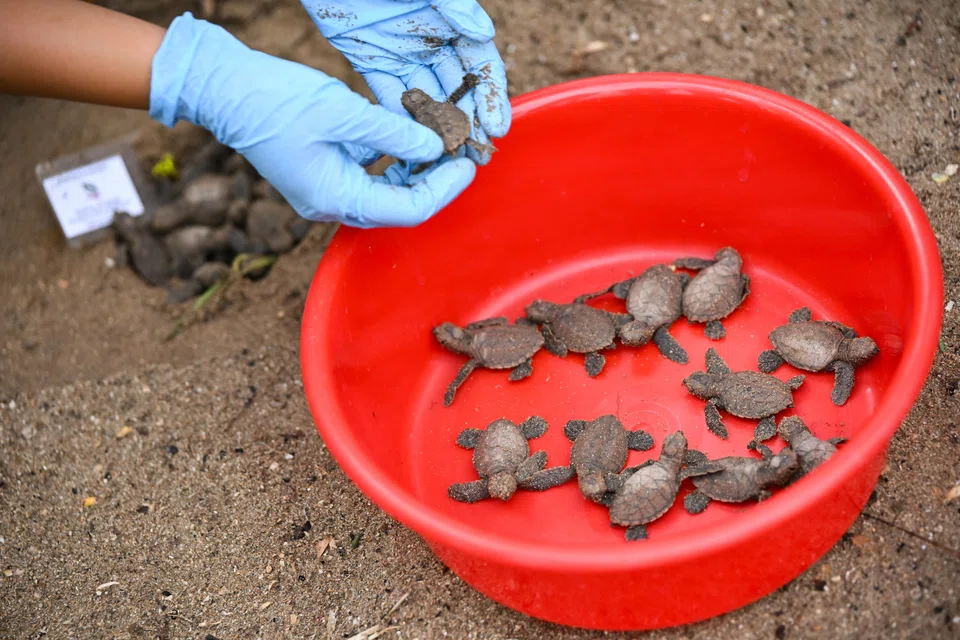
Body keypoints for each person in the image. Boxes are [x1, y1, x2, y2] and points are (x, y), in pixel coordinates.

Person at [0, 0, 510, 229]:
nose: (411, 101)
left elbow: (450, 94)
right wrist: (203, 76)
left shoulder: (432, 104)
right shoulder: (419, 103)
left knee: (443, 143)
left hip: (443, 119)